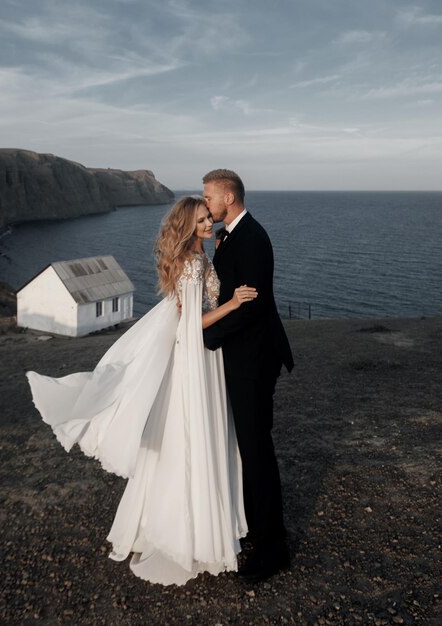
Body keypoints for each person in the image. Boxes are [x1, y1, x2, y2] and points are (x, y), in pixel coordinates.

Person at [27, 196, 257, 586]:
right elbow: (191, 323)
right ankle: (190, 533)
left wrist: (214, 257)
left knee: (186, 436)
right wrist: (233, 304)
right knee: (191, 436)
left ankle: (194, 524)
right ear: (187, 226)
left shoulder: (198, 254)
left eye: (207, 218)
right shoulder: (191, 262)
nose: (207, 224)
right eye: (201, 221)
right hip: (195, 358)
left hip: (203, 358)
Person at [202, 169, 294, 582]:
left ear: (228, 197)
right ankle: (255, 529)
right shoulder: (233, 236)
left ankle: (274, 550)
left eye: (209, 198)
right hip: (243, 358)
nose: (206, 205)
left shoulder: (253, 238)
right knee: (248, 448)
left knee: (257, 451)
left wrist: (205, 337)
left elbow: (252, 306)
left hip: (255, 361)